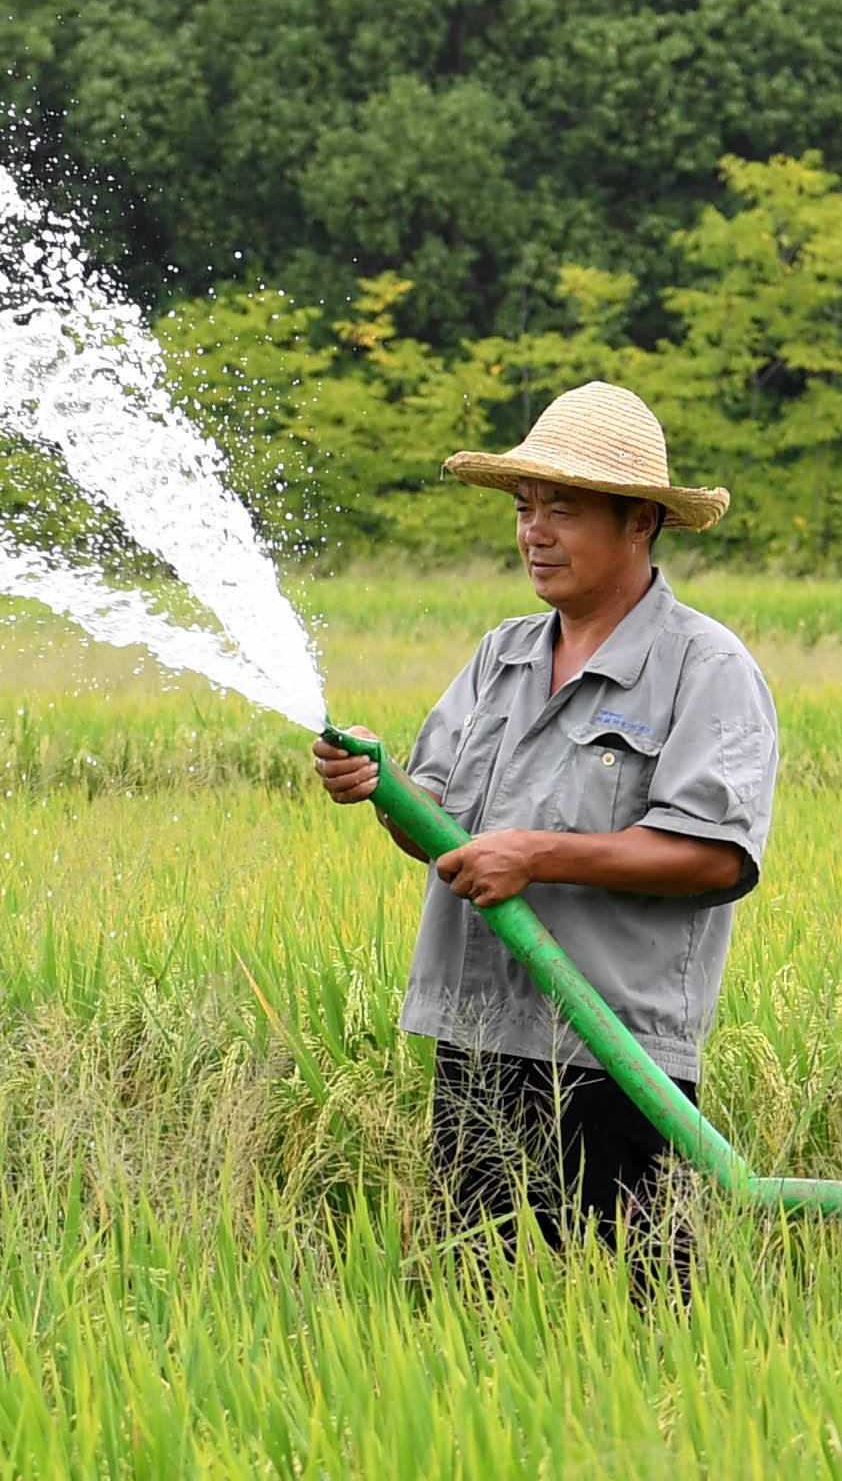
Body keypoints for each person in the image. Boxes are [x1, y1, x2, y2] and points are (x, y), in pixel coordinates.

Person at [314, 381, 779, 1272]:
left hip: (616, 1058)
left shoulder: (705, 667)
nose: (534, 532)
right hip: (479, 1043)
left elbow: (715, 856)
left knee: (631, 1323)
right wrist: (380, 783)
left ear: (640, 521)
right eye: (526, 508)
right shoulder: (503, 655)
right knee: (481, 1316)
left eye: (562, 509)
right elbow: (441, 828)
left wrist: (536, 855)